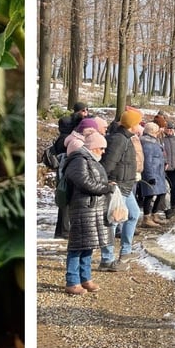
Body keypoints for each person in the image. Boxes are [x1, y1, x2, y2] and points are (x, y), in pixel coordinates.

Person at [62, 131, 115, 295]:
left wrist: (108, 184)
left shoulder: (90, 160)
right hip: (82, 208)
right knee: (77, 246)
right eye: (101, 148)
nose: (103, 151)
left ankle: (85, 278)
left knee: (88, 245)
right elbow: (85, 183)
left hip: (92, 208)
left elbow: (94, 181)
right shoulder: (79, 160)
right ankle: (72, 281)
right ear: (92, 147)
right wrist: (106, 188)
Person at [99, 109, 144, 271]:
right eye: (138, 122)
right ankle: (107, 258)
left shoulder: (127, 138)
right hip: (118, 186)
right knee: (112, 220)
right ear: (132, 125)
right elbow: (109, 164)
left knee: (133, 214)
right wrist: (107, 182)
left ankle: (126, 251)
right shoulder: (119, 139)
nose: (140, 126)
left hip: (127, 185)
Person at [139, 122, 169, 228]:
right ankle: (146, 218)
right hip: (152, 172)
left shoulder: (155, 142)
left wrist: (164, 162)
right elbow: (147, 161)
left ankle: (154, 214)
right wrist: (150, 176)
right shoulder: (147, 143)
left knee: (162, 193)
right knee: (149, 195)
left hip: (159, 172)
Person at [162, 121, 175, 218]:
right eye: (168, 129)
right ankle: (166, 205)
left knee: (174, 187)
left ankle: (173, 204)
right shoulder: (162, 139)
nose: (169, 131)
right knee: (166, 188)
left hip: (174, 167)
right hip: (165, 168)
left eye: (171, 129)